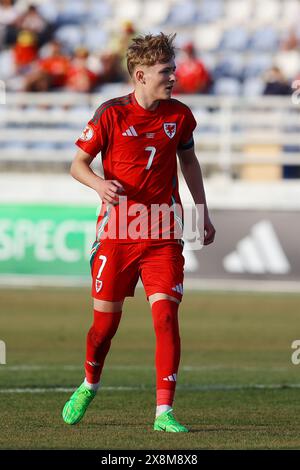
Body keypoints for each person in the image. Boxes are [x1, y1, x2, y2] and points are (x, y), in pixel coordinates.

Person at [62, 32, 215, 432]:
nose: (174, 77)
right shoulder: (110, 114)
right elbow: (77, 164)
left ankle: (163, 412)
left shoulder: (180, 116)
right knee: (103, 328)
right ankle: (89, 382)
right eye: (166, 71)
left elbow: (190, 163)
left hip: (163, 233)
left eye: (174, 69)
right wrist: (99, 184)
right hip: (117, 232)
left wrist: (202, 210)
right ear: (141, 75)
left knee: (165, 316)